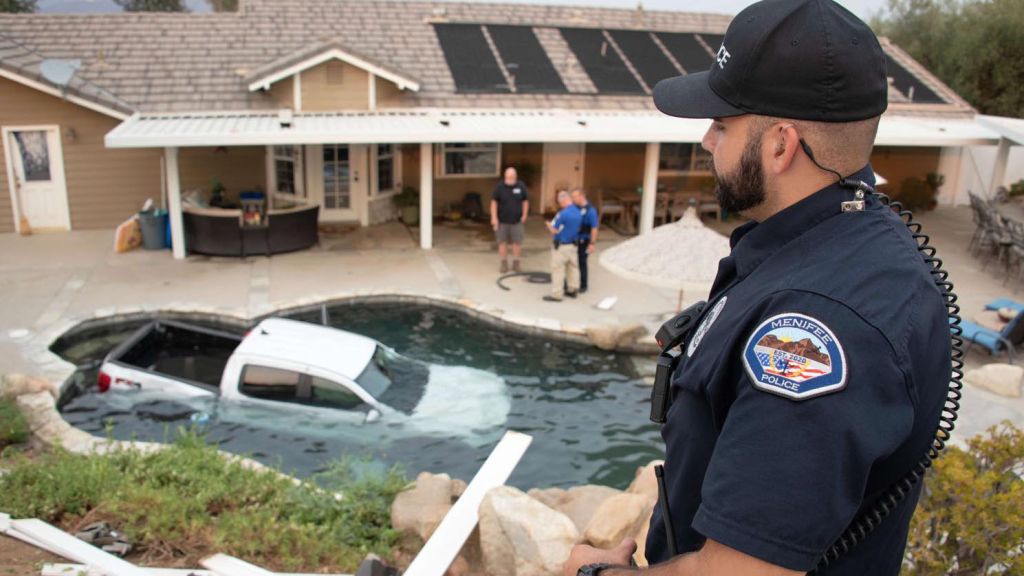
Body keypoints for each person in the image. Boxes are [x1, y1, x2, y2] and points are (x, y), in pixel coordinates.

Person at [563, 1, 951, 576]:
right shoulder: (845, 242)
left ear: (780, 145)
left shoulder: (815, 329)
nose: (705, 140)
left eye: (722, 124)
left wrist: (593, 574)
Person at [491, 167, 530, 274]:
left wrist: (525, 215)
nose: (510, 178)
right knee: (502, 242)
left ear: (515, 176)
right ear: (505, 176)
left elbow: (525, 201)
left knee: (517, 243)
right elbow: (494, 202)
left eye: (512, 176)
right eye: (508, 176)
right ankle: (504, 263)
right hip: (502, 221)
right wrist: (494, 218)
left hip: (517, 221)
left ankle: (516, 263)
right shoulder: (499, 187)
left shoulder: (521, 186)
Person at [545, 190, 582, 302]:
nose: (559, 204)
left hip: (561, 246)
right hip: (573, 245)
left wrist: (547, 224)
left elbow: (554, 230)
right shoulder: (578, 212)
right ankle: (573, 289)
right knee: (573, 267)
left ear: (564, 200)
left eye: (560, 202)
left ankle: (557, 295)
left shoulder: (562, 214)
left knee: (558, 270)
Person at [570, 188, 599, 293]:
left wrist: (592, 243)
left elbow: (594, 228)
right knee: (571, 261)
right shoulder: (574, 208)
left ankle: (583, 285)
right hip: (573, 239)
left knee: (582, 262)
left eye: (574, 196)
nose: (572, 199)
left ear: (581, 196)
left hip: (584, 241)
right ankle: (571, 282)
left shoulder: (591, 211)